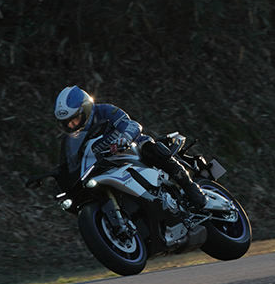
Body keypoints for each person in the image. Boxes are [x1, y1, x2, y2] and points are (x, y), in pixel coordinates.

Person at [53, 85, 207, 210]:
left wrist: (124, 138)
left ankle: (190, 187)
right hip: (102, 165)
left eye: (75, 119)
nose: (71, 125)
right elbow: (68, 163)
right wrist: (55, 175)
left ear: (85, 109)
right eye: (66, 123)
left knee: (151, 149)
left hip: (131, 147)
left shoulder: (105, 111)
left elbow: (132, 125)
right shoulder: (70, 141)